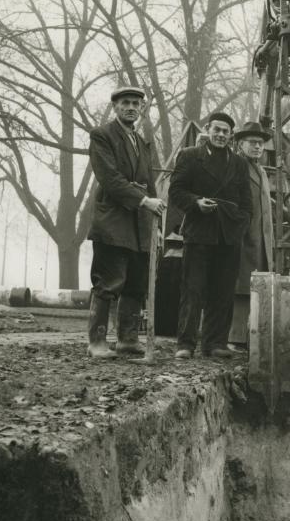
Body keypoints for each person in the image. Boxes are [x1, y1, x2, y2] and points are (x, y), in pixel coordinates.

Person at [86, 85, 166, 359]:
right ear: (115, 107)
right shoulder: (102, 136)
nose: (131, 107)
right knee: (109, 281)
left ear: (141, 109)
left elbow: (149, 185)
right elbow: (110, 178)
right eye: (125, 103)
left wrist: (157, 224)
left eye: (136, 103)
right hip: (112, 221)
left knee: (135, 282)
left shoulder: (142, 142)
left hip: (141, 224)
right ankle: (97, 342)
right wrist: (143, 200)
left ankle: (127, 339)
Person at [168, 111, 251, 359]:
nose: (221, 135)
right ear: (207, 129)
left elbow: (247, 203)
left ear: (231, 135)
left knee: (223, 291)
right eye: (217, 129)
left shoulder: (239, 163)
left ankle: (215, 343)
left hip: (228, 235)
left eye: (226, 131)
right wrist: (196, 203)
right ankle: (186, 344)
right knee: (193, 290)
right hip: (199, 232)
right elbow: (176, 191)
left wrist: (239, 226)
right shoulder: (190, 156)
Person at [228, 121, 275, 350]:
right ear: (240, 144)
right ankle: (236, 337)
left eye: (261, 144)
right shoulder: (237, 166)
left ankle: (250, 335)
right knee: (241, 287)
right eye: (253, 143)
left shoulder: (262, 171)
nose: (258, 147)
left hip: (261, 239)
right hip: (244, 237)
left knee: (256, 286)